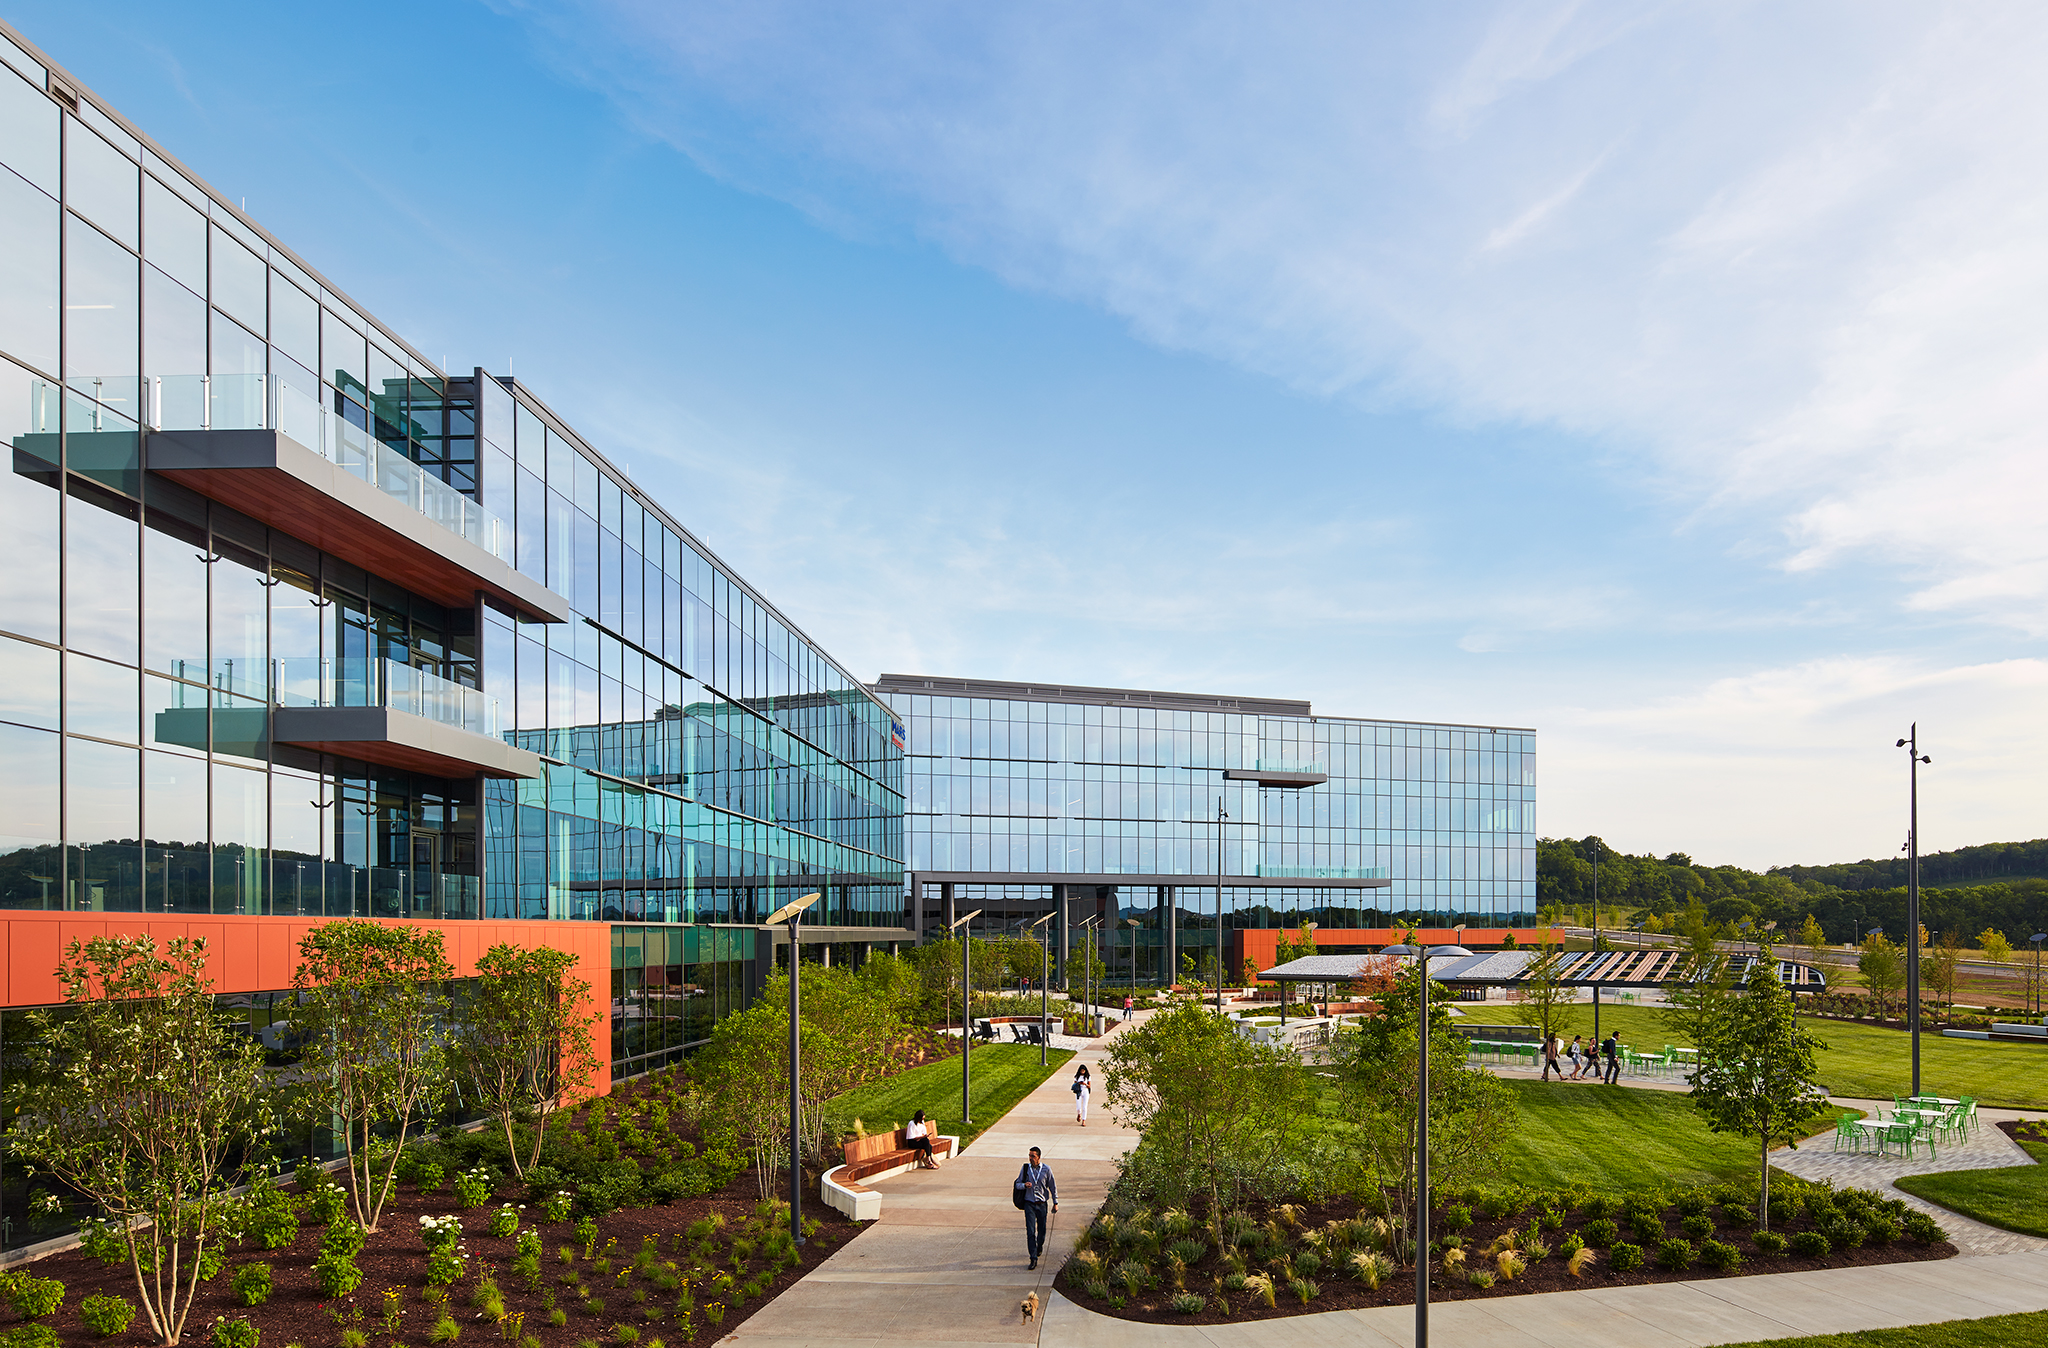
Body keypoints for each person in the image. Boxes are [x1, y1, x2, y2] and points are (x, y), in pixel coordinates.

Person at [1015, 1146, 1058, 1270]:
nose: (1030, 1158)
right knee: (1030, 1231)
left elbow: (1052, 1186)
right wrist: (1024, 1185)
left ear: (1039, 1157)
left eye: (1033, 1156)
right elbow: (1017, 1184)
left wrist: (1056, 1202)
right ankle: (1033, 1258)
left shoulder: (1046, 1169)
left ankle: (1039, 1246)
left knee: (1042, 1230)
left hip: (1042, 1204)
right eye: (1029, 1156)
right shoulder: (1025, 1169)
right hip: (1029, 1204)